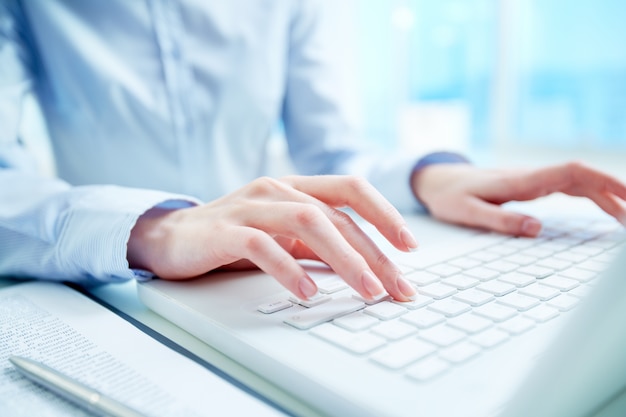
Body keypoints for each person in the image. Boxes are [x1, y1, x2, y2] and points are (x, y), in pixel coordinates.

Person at [1, 1, 625, 303]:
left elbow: (330, 149)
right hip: (105, 287)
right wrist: (155, 227)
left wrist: (430, 176)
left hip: (259, 276)